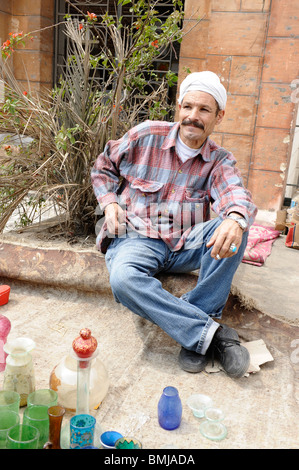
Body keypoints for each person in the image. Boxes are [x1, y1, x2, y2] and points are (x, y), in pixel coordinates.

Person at [91, 71, 257, 379]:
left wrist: (235, 219)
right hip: (136, 237)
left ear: (219, 117)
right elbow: (103, 167)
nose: (194, 116)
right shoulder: (146, 135)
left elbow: (235, 194)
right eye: (188, 107)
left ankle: (197, 330)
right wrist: (110, 203)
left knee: (236, 231)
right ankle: (210, 336)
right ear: (178, 107)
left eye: (204, 110)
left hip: (185, 241)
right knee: (124, 279)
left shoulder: (219, 160)